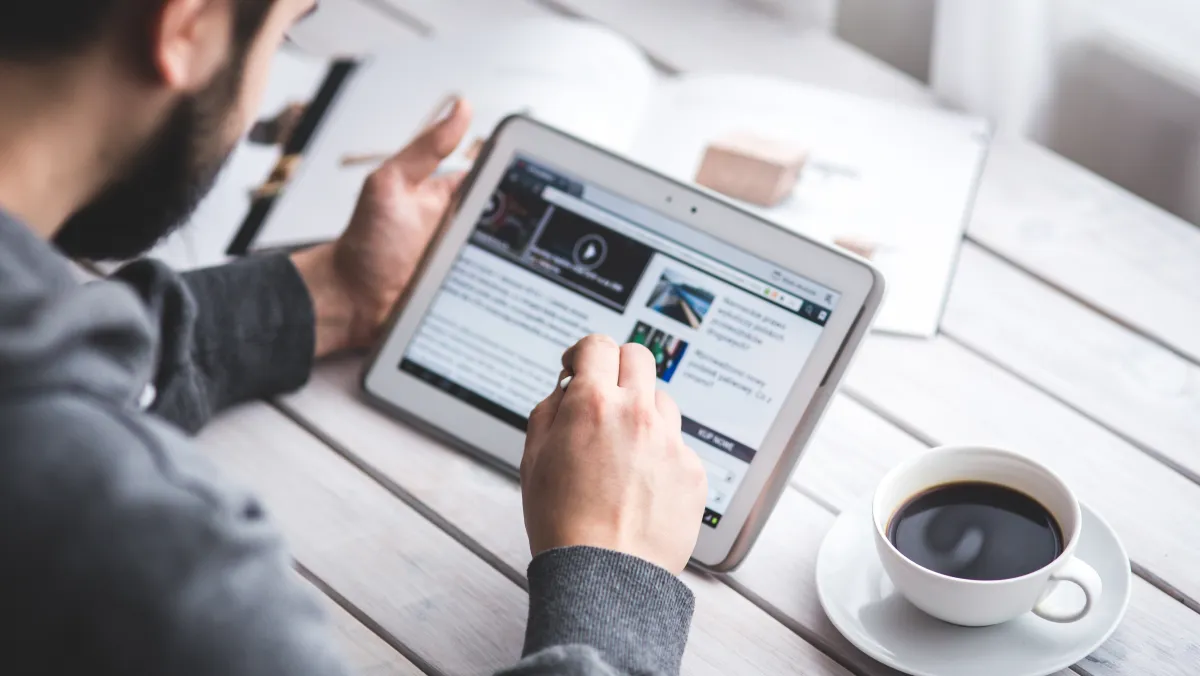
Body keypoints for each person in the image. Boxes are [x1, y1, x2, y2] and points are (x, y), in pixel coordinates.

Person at [0, 1, 710, 674]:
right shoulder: (164, 575)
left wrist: (332, 292)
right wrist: (615, 577)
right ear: (187, 24)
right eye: (282, 32)